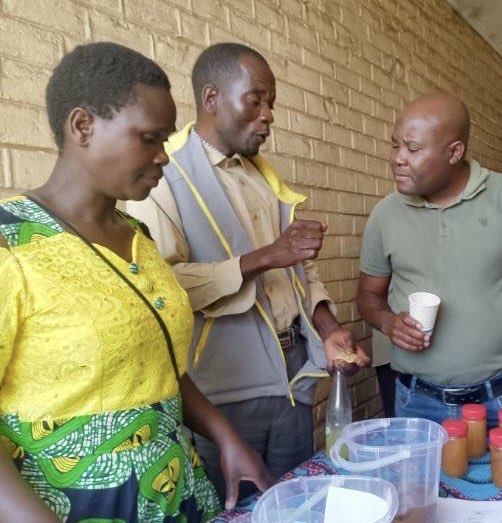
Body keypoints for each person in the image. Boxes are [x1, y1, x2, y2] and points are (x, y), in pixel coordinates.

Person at [0, 42, 272, 522]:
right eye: (149, 138)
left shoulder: (140, 239)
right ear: (82, 126)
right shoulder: (11, 245)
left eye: (166, 139)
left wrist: (226, 436)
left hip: (179, 492)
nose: (163, 157)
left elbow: (156, 366)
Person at [127, 42, 370, 501]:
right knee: (235, 508)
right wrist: (264, 257)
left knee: (296, 501)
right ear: (212, 98)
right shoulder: (163, 174)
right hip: (223, 392)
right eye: (256, 99)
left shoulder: (263, 177)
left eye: (271, 103)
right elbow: (161, 287)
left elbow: (298, 269)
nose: (269, 115)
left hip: (293, 378)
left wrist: (329, 328)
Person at [356, 92, 502, 433]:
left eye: (413, 148)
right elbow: (367, 296)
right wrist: (389, 323)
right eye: (395, 146)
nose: (397, 159)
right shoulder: (385, 215)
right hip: (417, 402)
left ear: (454, 152)